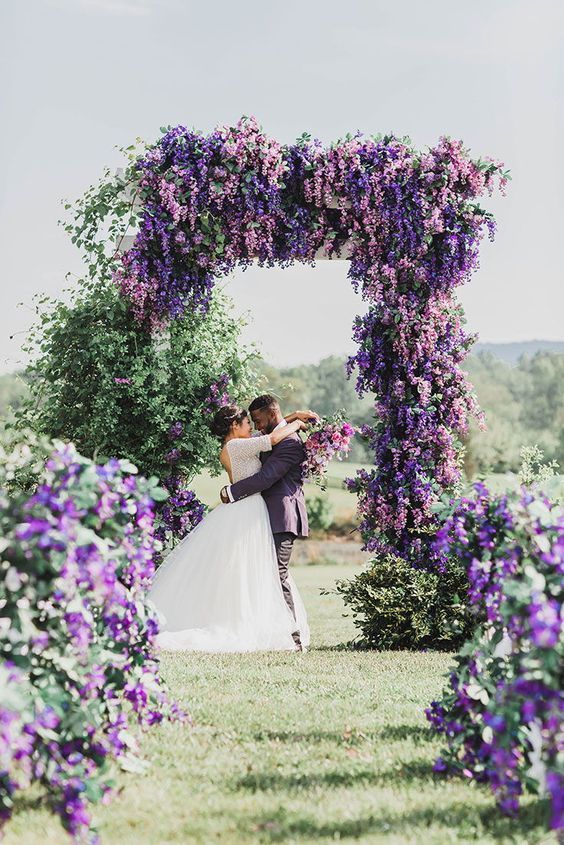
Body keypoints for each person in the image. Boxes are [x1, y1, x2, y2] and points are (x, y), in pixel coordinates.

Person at [147, 403, 315, 653]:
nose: (252, 427)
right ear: (234, 426)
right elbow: (273, 436)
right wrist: (298, 423)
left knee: (252, 571)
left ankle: (272, 628)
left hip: (251, 510)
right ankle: (287, 634)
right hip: (248, 509)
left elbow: (271, 431)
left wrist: (291, 416)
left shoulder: (239, 444)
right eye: (248, 423)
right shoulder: (237, 446)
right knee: (261, 571)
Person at [220, 394, 313, 650]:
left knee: (277, 574)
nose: (257, 426)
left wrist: (232, 492)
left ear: (272, 415)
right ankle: (273, 632)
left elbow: (266, 478)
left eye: (259, 420)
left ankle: (294, 640)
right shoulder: (278, 436)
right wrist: (294, 417)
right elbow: (269, 437)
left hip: (282, 515)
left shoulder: (290, 443)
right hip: (264, 517)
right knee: (266, 574)